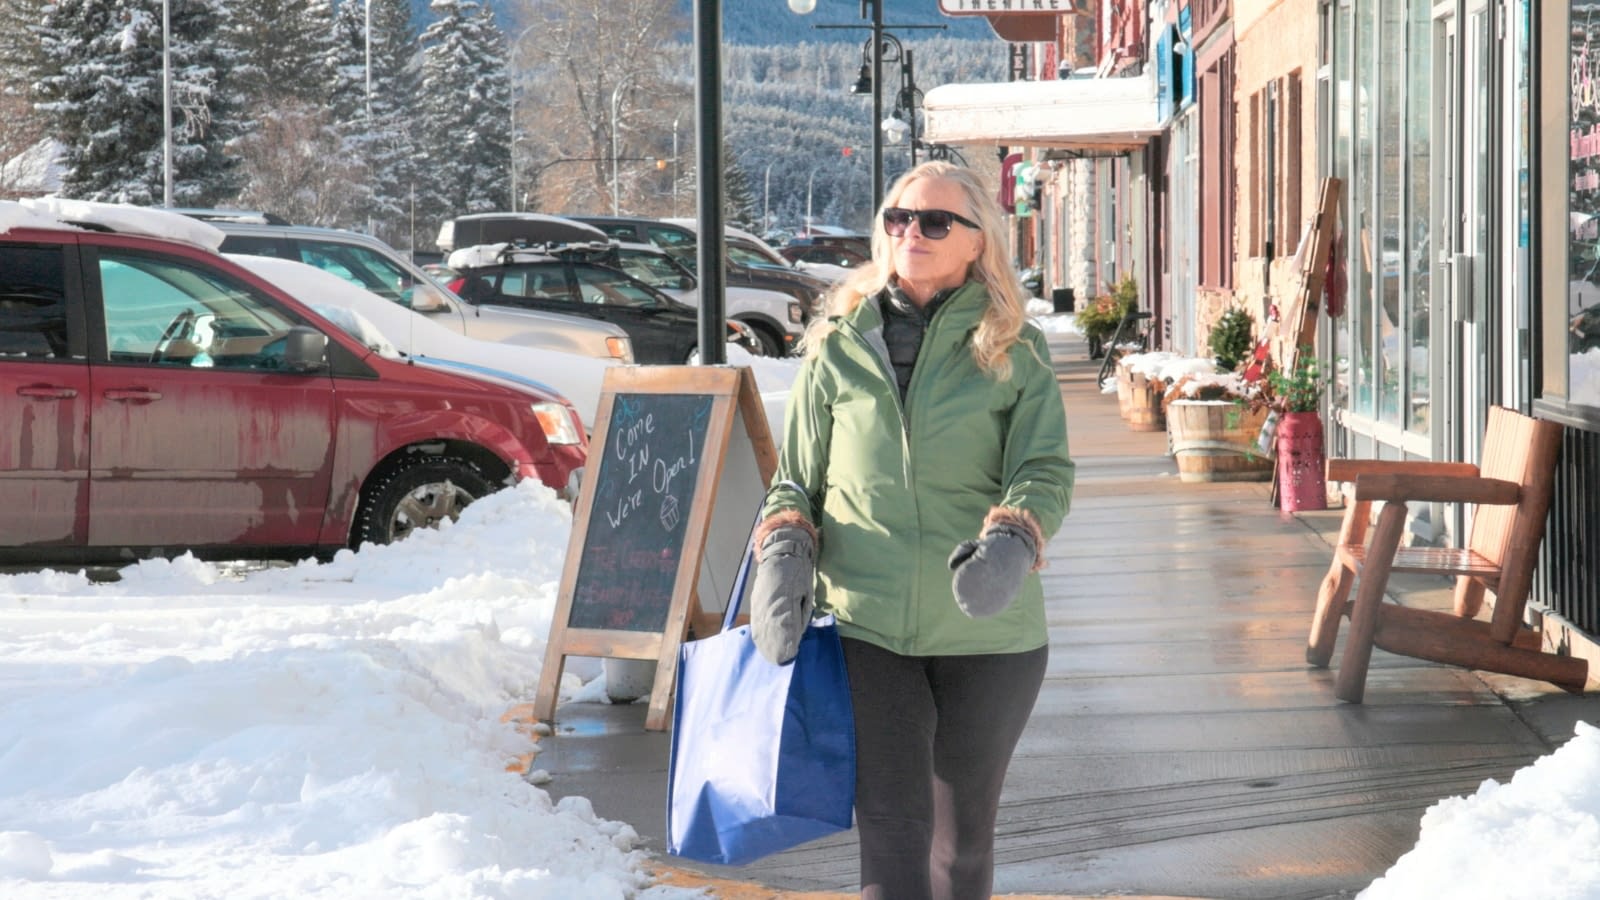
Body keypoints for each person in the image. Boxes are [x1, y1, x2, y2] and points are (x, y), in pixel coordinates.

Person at [750, 161, 1075, 900]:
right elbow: (796, 477)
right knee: (892, 839)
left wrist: (1013, 541)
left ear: (975, 241)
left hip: (988, 634)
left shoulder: (1013, 348)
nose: (910, 232)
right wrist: (785, 551)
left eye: (933, 221)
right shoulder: (837, 342)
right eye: (898, 217)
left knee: (960, 851)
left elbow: (1046, 469)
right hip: (868, 628)